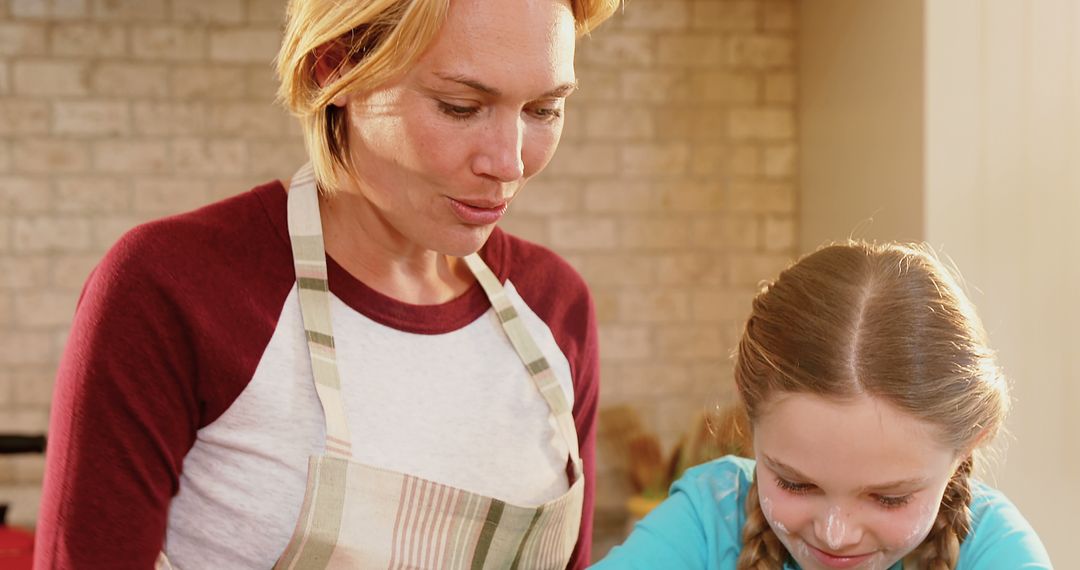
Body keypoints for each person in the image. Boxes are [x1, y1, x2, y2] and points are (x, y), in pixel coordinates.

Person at [35, 0, 619, 567]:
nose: (510, 162)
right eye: (460, 106)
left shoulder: (554, 306)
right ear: (335, 70)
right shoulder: (172, 289)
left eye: (544, 109)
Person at [595, 242, 1052, 569]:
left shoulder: (995, 550)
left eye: (889, 498)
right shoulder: (707, 519)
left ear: (970, 444)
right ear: (748, 415)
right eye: (795, 484)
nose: (836, 535)